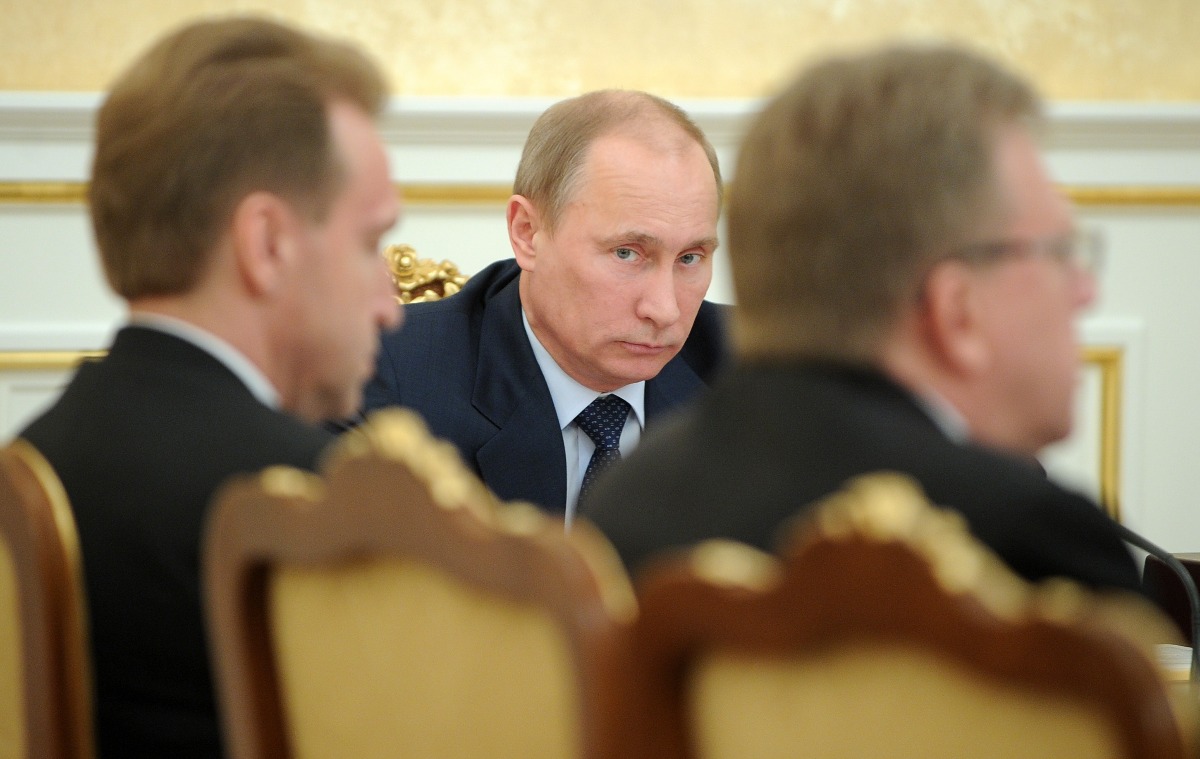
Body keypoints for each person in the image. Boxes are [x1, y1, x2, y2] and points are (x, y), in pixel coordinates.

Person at [584, 43, 1142, 593]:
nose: (1085, 291)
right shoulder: (1031, 552)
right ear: (956, 309)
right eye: (1060, 253)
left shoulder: (627, 500)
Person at [19, 17, 401, 757]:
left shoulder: (32, 462)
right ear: (267, 245)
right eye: (370, 243)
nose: (391, 304)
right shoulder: (304, 503)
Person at [358, 90, 728, 519]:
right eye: (627, 253)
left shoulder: (755, 375)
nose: (664, 310)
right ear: (527, 233)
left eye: (690, 258)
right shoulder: (384, 378)